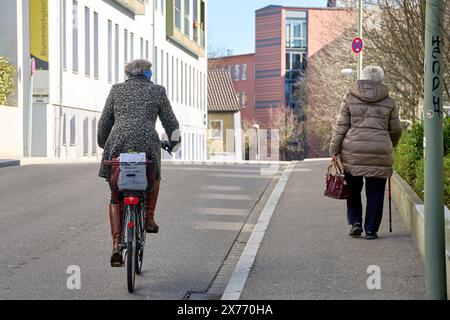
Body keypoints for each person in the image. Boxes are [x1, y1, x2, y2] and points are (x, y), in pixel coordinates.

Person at [97, 59, 180, 266]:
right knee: (155, 174)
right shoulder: (158, 91)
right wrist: (175, 143)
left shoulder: (116, 90)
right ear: (147, 73)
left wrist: (103, 143)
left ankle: (116, 245)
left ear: (129, 74)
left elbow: (104, 122)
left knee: (115, 194)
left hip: (119, 142)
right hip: (147, 143)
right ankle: (149, 218)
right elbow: (171, 123)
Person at [329, 66, 402, 240]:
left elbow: (341, 126)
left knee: (353, 188)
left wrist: (334, 149)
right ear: (380, 80)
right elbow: (397, 129)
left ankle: (356, 223)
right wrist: (389, 143)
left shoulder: (349, 97)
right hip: (380, 149)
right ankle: (371, 230)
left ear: (362, 79)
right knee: (376, 191)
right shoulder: (389, 101)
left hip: (353, 150)